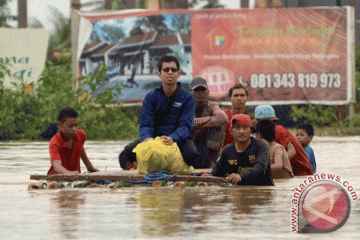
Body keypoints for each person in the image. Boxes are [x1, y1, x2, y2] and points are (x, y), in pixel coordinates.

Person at [119, 55, 198, 170]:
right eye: (166, 69)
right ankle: (139, 174)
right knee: (125, 156)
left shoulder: (187, 97)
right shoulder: (150, 97)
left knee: (191, 155)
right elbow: (146, 124)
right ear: (159, 74)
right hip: (154, 138)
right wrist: (147, 138)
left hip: (178, 139)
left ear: (178, 74)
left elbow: (185, 126)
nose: (170, 72)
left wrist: (173, 137)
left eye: (173, 70)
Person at [210, 114, 274, 186]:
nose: (241, 131)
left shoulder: (261, 145)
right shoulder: (227, 150)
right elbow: (216, 172)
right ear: (231, 131)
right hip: (238, 192)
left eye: (245, 128)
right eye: (237, 128)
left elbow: (260, 168)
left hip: (262, 191)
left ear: (251, 130)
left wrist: (241, 176)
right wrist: (207, 177)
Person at [254, 105, 313, 176]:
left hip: (302, 170)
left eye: (257, 121)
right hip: (290, 170)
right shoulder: (264, 135)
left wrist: (277, 162)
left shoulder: (278, 130)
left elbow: (292, 151)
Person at [47, 107, 99, 175]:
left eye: (76, 125)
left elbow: (80, 149)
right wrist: (68, 173)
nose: (74, 129)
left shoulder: (81, 135)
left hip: (76, 177)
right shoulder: (54, 143)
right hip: (56, 178)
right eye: (70, 126)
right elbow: (56, 166)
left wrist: (90, 167)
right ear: (60, 125)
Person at [190, 77, 228, 168]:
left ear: (208, 92)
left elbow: (223, 118)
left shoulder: (212, 105)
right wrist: (209, 120)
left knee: (220, 127)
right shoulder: (185, 105)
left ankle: (212, 164)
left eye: (203, 90)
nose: (200, 93)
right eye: (196, 90)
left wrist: (196, 125)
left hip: (207, 142)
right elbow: (185, 123)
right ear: (190, 92)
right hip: (190, 141)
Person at [222, 83, 248, 148]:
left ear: (246, 98)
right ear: (230, 98)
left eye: (242, 95)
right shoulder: (222, 116)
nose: (239, 98)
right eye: (236, 95)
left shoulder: (251, 118)